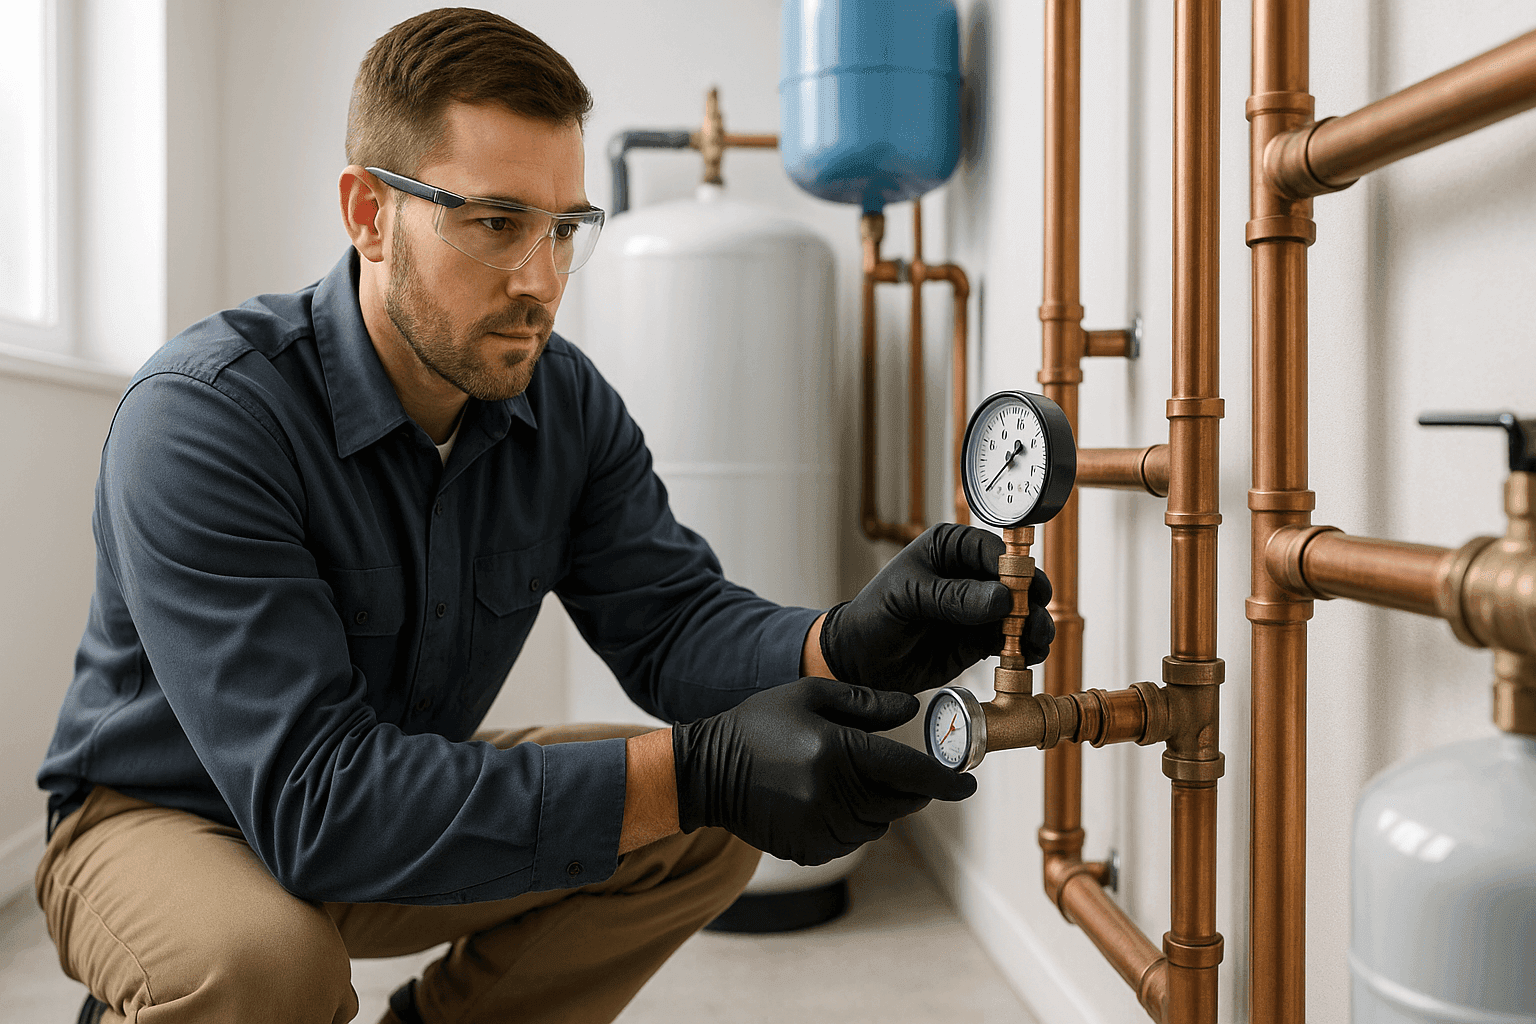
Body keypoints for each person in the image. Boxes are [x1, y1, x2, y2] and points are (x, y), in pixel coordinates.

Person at [33, 9, 1054, 1024]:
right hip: (167, 815)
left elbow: (672, 622)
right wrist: (695, 768)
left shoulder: (560, 402)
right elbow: (316, 802)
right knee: (266, 965)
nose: (540, 280)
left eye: (565, 228)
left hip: (380, 796)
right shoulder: (207, 416)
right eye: (494, 223)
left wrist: (844, 641)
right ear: (368, 212)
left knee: (701, 826)